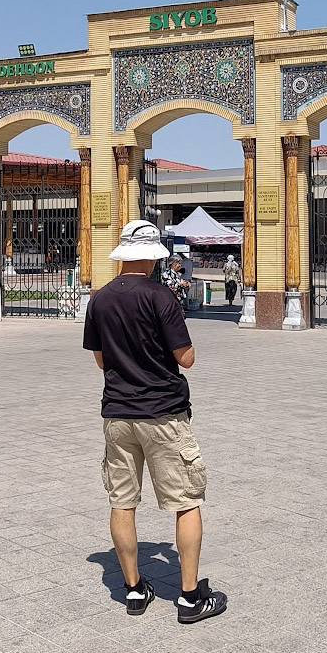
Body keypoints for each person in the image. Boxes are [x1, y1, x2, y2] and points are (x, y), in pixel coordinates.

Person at [83, 220, 227, 624]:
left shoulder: (100, 299)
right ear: (150, 256)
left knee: (122, 502)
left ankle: (132, 589)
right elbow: (187, 358)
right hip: (163, 413)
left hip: (117, 413)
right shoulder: (161, 297)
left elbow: (100, 359)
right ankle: (188, 597)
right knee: (186, 502)